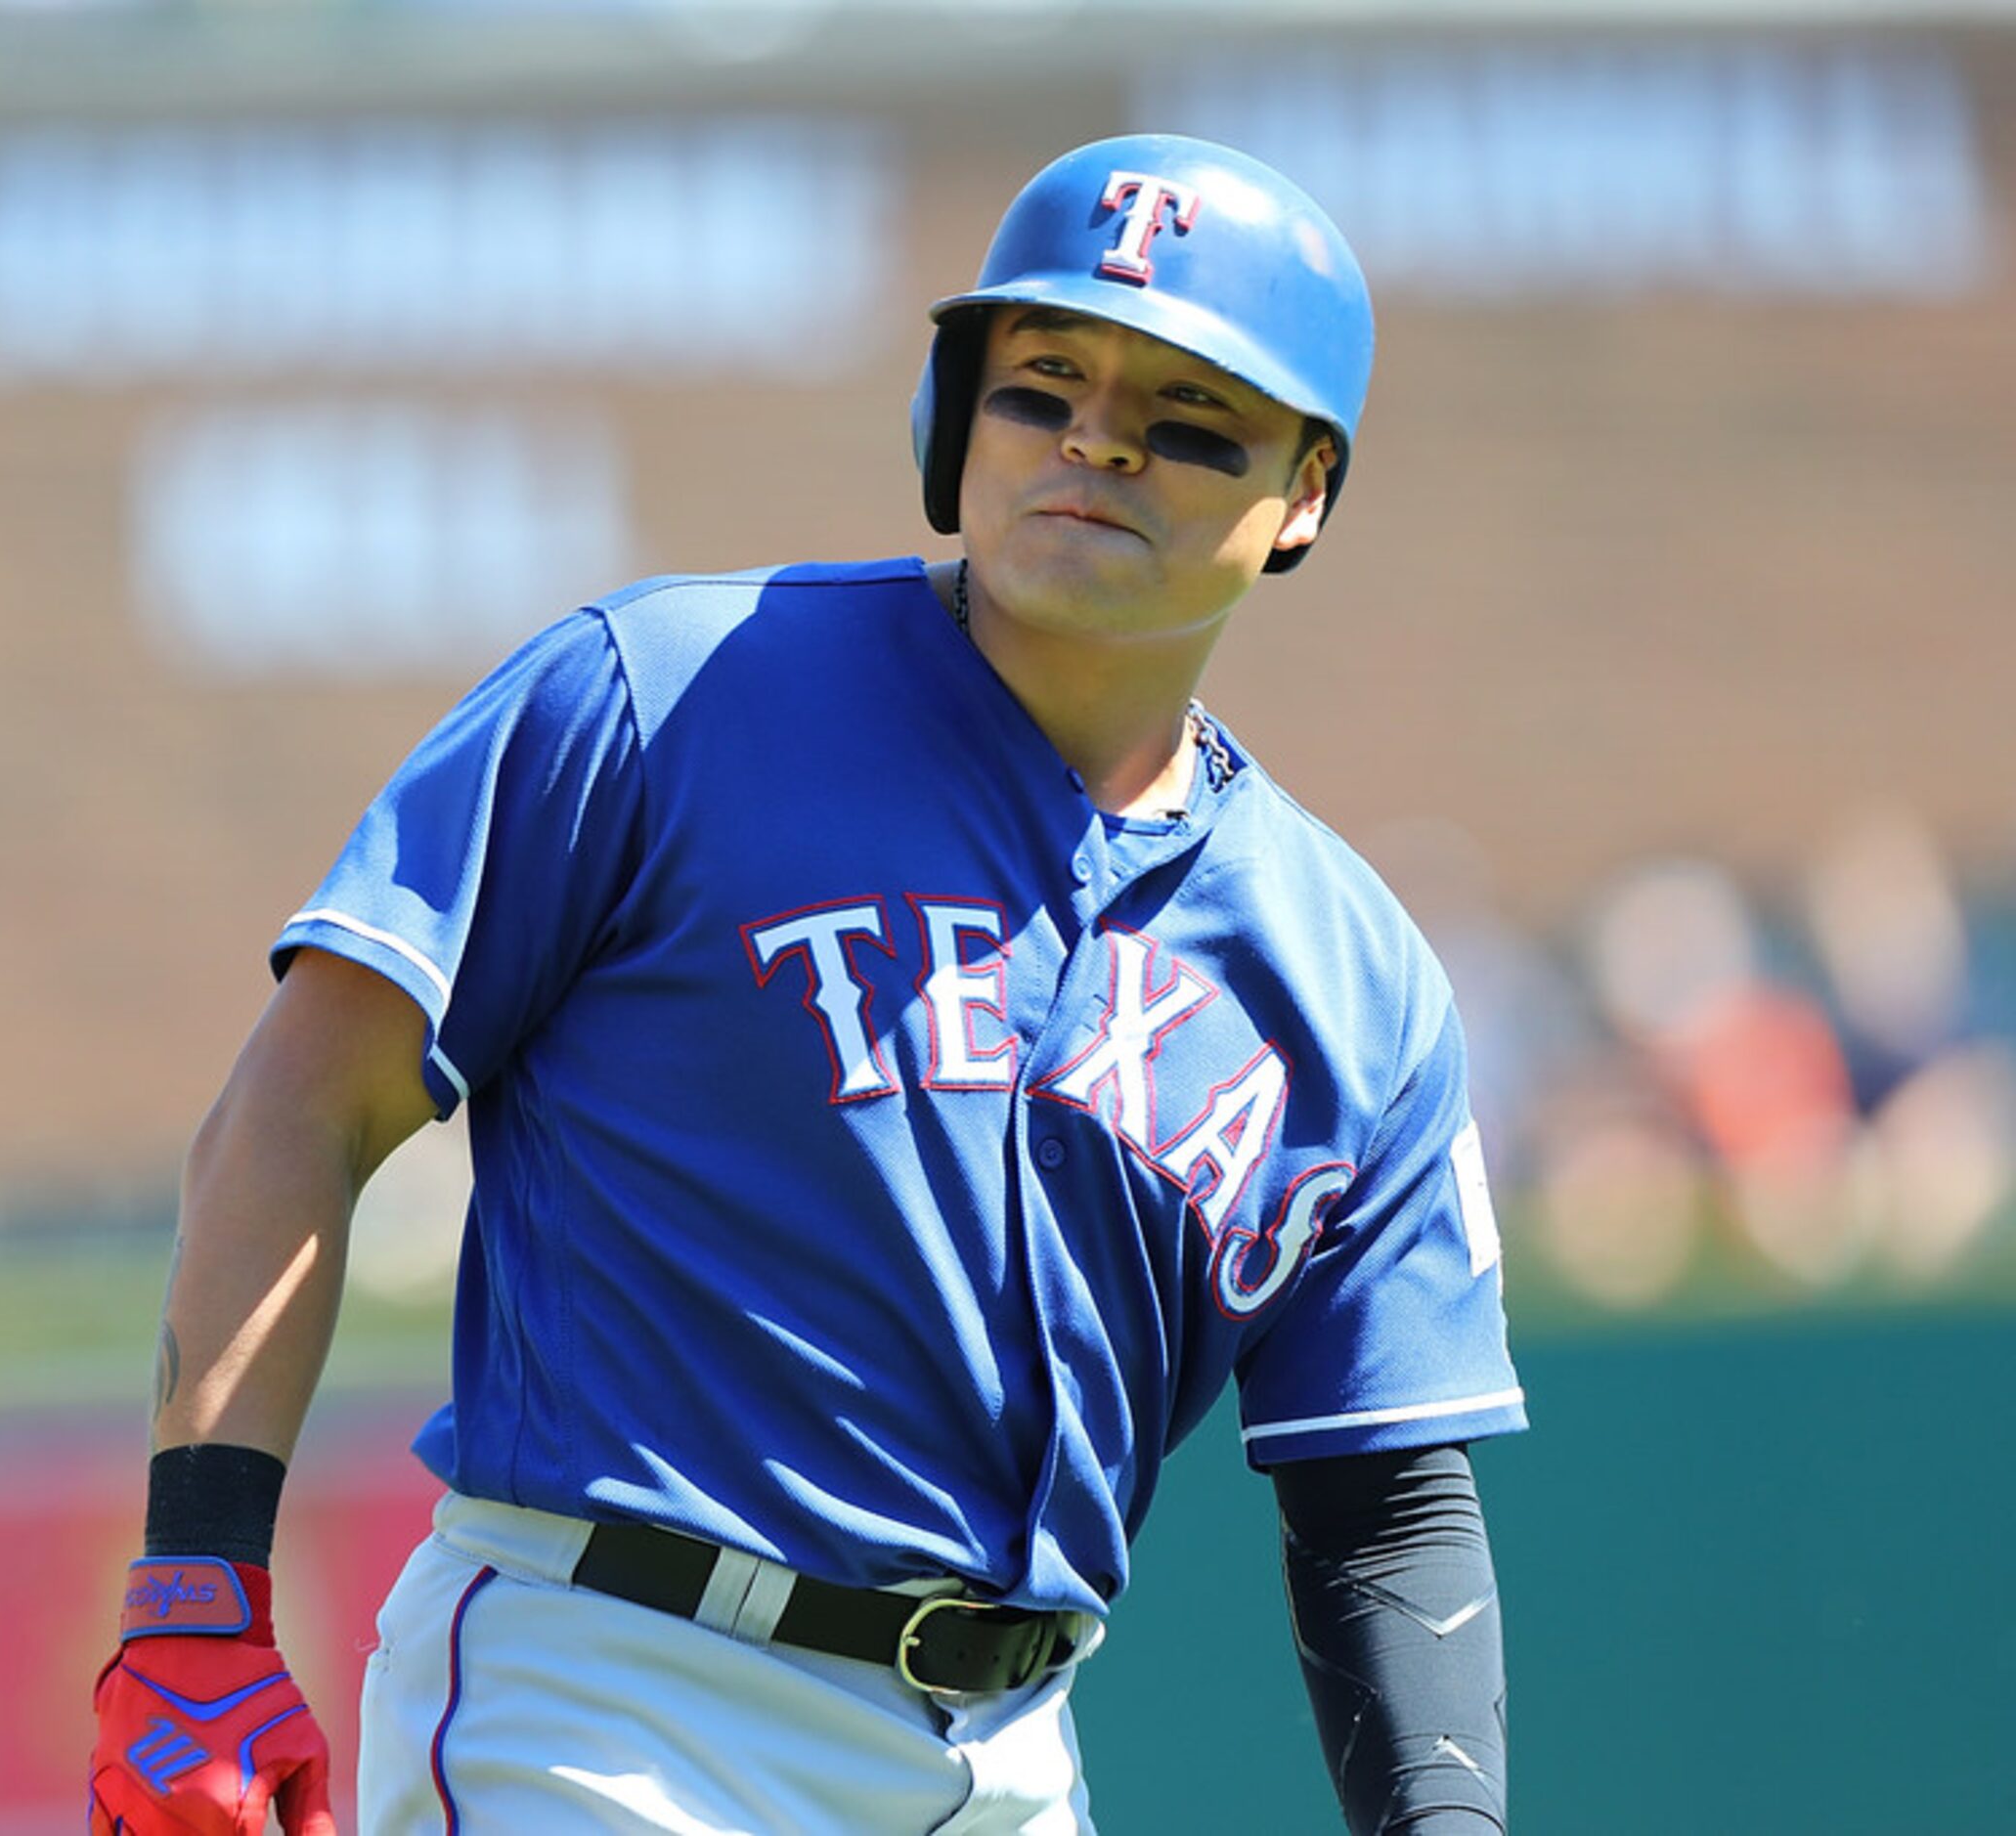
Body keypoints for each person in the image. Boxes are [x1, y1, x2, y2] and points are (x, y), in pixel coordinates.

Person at [90, 133, 1527, 1836]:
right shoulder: (661, 697)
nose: (1096, 439)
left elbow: (1379, 1499)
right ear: (948, 418)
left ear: (1305, 492)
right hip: (614, 1692)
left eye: (1189, 410)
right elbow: (300, 1111)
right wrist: (198, 1593)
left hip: (1011, 1754)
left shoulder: (1351, 977)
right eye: (1042, 380)